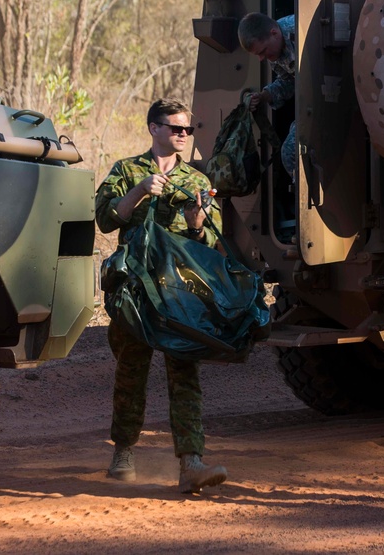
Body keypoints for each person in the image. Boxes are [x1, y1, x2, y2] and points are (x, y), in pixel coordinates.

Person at [95, 98, 228, 494]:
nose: (184, 135)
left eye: (187, 129)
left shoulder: (198, 180)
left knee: (184, 369)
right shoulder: (127, 170)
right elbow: (104, 218)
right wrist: (139, 191)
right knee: (131, 370)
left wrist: (197, 221)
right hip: (135, 287)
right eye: (176, 128)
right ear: (154, 128)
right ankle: (123, 452)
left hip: (178, 287)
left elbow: (210, 238)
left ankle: (191, 461)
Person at [238, 12, 297, 177]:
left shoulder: (301, 30)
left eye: (263, 51)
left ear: (274, 33)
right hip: (314, 105)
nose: (262, 58)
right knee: (291, 153)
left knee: (292, 152)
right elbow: (288, 81)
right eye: (258, 54)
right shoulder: (276, 50)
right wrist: (263, 96)